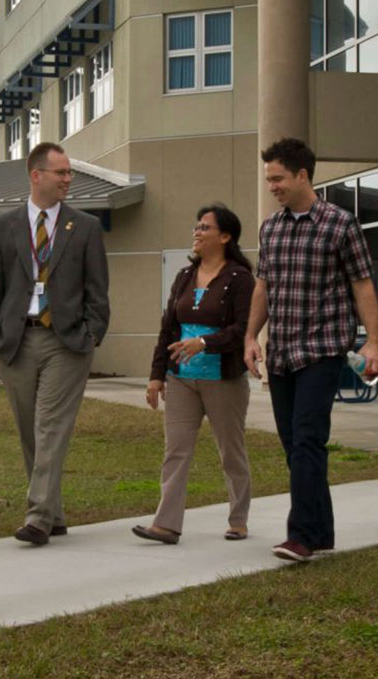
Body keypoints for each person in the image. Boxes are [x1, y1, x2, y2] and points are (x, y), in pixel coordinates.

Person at [244, 137, 378, 563]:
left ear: (303, 175)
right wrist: (251, 336)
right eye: (268, 179)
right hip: (282, 352)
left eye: (278, 178)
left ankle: (299, 536)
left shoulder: (341, 224)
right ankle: (320, 532)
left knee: (307, 440)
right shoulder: (271, 227)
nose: (272, 186)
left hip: (323, 349)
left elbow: (362, 284)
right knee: (294, 446)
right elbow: (264, 287)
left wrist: (373, 340)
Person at [0, 141, 110, 546]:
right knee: (29, 432)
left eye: (69, 173)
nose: (68, 179)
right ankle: (53, 513)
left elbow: (98, 290)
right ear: (37, 176)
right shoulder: (0, 226)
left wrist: (92, 334)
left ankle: (37, 517)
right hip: (16, 341)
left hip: (66, 342)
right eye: (61, 173)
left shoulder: (85, 226)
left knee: (50, 427)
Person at [132, 204, 255, 545]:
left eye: (205, 227)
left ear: (225, 236)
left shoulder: (240, 279)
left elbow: (244, 329)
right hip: (181, 379)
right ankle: (166, 525)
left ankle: (238, 520)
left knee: (231, 451)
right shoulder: (184, 276)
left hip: (223, 380)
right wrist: (157, 375)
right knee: (176, 451)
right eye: (196, 226)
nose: (196, 232)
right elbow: (168, 329)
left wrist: (204, 342)